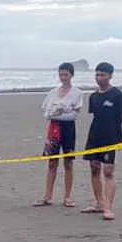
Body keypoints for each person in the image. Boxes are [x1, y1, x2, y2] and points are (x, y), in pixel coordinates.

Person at [82, 63, 122, 222]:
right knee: (94, 168)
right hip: (94, 136)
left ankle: (108, 207)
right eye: (97, 75)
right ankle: (99, 203)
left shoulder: (118, 95)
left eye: (103, 75)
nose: (99, 78)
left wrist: (112, 129)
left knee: (108, 171)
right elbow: (94, 115)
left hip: (111, 137)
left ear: (110, 76)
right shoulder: (93, 96)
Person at [35, 62, 84, 208]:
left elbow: (74, 114)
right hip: (54, 127)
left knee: (68, 162)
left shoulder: (77, 93)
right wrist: (56, 112)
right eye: (61, 74)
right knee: (52, 162)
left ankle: (68, 196)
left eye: (66, 75)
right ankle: (48, 196)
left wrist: (62, 111)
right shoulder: (52, 92)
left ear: (71, 75)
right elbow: (46, 111)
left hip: (68, 128)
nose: (63, 77)